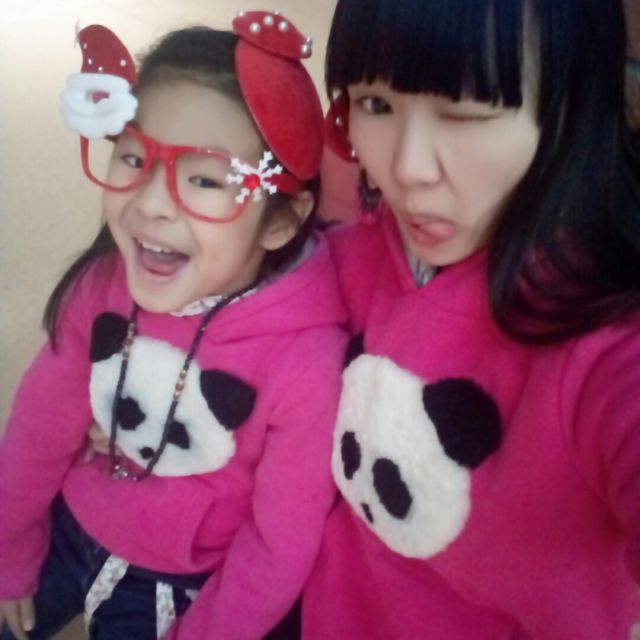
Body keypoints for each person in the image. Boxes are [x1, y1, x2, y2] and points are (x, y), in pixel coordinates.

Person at [0, 11, 347, 640]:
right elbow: (36, 429)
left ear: (279, 221)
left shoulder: (307, 363)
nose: (151, 202)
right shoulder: (101, 285)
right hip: (69, 524)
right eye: (134, 156)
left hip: (175, 590)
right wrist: (10, 549)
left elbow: (277, 546)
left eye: (205, 178)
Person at [301, 0, 640, 638]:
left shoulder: (604, 342)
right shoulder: (351, 258)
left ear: (568, 111)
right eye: (374, 104)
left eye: (467, 113)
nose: (408, 170)